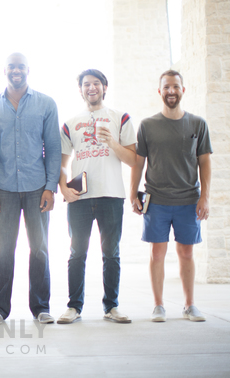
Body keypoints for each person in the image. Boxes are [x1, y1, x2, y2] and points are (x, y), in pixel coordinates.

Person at [0, 53, 61, 325]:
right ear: (5, 70)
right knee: (3, 250)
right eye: (12, 66)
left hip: (37, 187)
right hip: (3, 188)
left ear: (28, 69)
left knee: (39, 248)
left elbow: (52, 148)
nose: (16, 70)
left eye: (21, 66)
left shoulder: (46, 104)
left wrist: (51, 187)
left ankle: (41, 307)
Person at [130, 69, 212, 322]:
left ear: (183, 90)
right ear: (160, 91)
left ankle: (189, 305)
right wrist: (134, 193)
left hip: (188, 200)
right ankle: (158, 306)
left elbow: (205, 163)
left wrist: (205, 197)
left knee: (186, 253)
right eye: (166, 87)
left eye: (175, 86)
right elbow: (138, 163)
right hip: (157, 201)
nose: (171, 91)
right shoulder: (147, 125)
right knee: (157, 254)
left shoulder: (198, 124)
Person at [57, 69, 136, 325]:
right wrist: (64, 189)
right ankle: (74, 307)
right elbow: (61, 163)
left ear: (105, 87)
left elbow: (133, 160)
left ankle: (111, 306)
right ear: (80, 90)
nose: (91, 88)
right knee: (76, 253)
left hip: (111, 195)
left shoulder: (120, 118)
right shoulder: (70, 123)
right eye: (86, 84)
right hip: (79, 198)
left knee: (111, 253)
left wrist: (112, 143)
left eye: (96, 84)